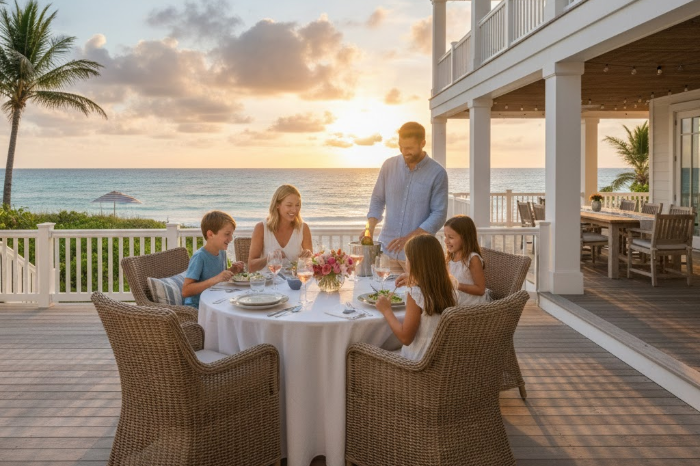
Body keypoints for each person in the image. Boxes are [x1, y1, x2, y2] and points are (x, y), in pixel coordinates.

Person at [364, 121, 448, 274]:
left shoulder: (438, 173)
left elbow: (439, 214)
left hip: (418, 255)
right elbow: (377, 199)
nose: (404, 151)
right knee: (384, 295)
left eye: (409, 148)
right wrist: (370, 227)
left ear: (422, 143)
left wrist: (409, 238)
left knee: (416, 297)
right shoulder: (388, 166)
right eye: (401, 147)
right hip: (386, 252)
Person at [375, 235, 456, 360]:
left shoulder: (416, 294)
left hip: (418, 363)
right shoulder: (450, 287)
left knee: (376, 346)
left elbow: (405, 338)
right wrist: (414, 278)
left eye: (407, 259)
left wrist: (386, 310)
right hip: (442, 359)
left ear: (414, 263)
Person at [182, 210, 245, 308]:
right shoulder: (200, 256)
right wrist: (216, 279)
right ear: (210, 234)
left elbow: (218, 275)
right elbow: (186, 291)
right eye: (227, 234)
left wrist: (232, 270)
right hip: (197, 308)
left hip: (215, 302)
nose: (231, 239)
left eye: (231, 234)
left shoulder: (222, 252)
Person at [249, 184, 313, 272]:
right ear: (277, 205)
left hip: (294, 284)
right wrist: (270, 258)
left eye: (297, 205)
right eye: (289, 205)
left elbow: (310, 265)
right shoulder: (261, 228)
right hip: (268, 283)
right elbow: (251, 267)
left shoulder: (303, 228)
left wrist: (307, 258)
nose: (294, 210)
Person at [444, 215, 492, 306]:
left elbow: (480, 290)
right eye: (445, 236)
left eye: (450, 237)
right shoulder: (451, 257)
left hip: (470, 305)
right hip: (455, 300)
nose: (446, 241)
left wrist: (456, 285)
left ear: (464, 238)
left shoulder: (472, 259)